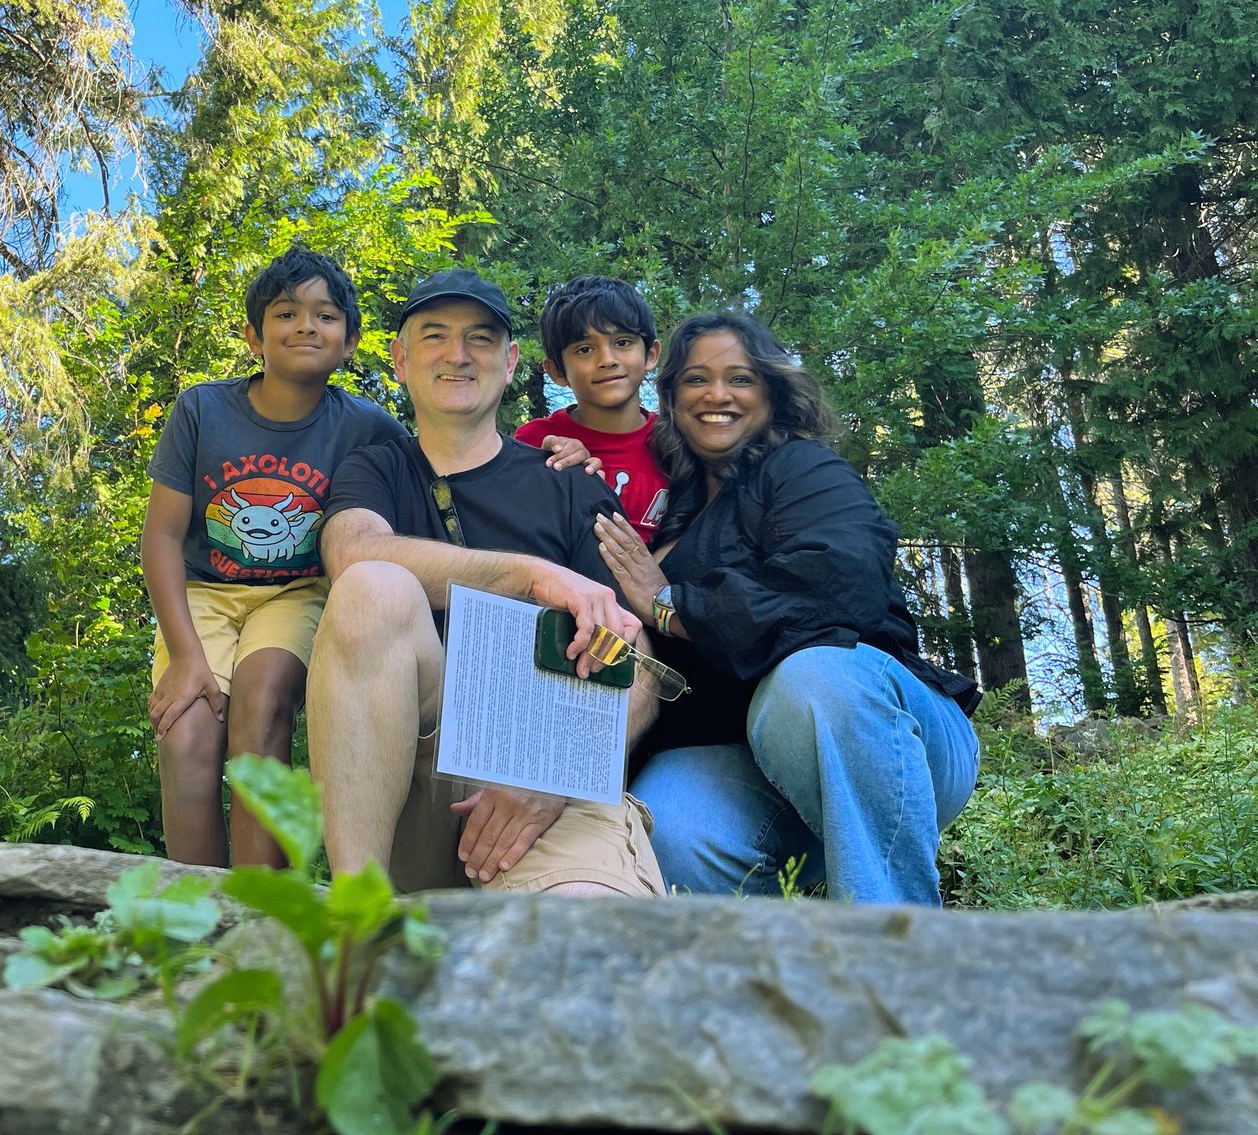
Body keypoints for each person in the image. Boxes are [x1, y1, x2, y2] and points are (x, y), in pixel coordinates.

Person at [593, 311, 981, 905]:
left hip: (886, 736)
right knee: (667, 823)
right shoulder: (669, 511)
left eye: (740, 379)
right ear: (669, 400)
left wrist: (672, 605)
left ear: (772, 393)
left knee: (811, 678)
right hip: (750, 766)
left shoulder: (804, 469)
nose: (717, 394)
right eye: (695, 379)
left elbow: (840, 589)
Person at [308, 268, 664, 896]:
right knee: (373, 588)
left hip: (544, 774)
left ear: (511, 359)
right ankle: (355, 922)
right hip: (409, 776)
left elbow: (637, 667)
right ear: (398, 359)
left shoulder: (570, 486)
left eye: (479, 337)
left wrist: (551, 774)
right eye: (435, 335)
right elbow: (351, 553)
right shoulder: (375, 470)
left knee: (591, 940)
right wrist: (529, 575)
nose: (457, 354)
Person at [141, 246, 407, 868]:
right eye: (286, 313)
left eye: (326, 315)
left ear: (351, 339)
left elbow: (444, 462)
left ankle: (263, 914)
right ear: (254, 335)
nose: (307, 326)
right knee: (186, 735)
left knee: (260, 711)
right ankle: (199, 920)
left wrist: (551, 445)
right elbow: (160, 539)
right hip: (203, 595)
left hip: (297, 594)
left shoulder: (367, 425)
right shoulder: (202, 410)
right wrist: (184, 657)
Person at [514, 274, 670, 542]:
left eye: (622, 342)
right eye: (585, 349)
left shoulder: (676, 442)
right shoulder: (535, 442)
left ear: (651, 354)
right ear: (556, 371)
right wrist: (545, 471)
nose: (607, 360)